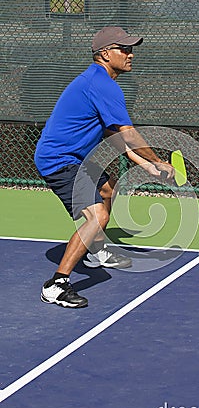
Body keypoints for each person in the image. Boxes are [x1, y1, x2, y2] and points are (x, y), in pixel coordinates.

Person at [34, 26, 174, 309]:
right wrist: (158, 161)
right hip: (59, 160)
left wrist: (145, 165)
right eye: (124, 49)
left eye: (131, 48)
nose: (130, 54)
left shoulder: (101, 82)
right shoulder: (102, 84)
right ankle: (57, 284)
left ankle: (96, 253)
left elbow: (114, 134)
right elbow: (129, 133)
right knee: (97, 217)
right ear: (105, 53)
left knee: (108, 191)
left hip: (79, 159)